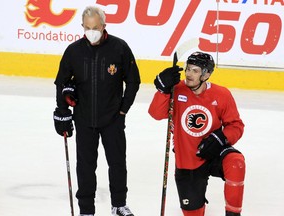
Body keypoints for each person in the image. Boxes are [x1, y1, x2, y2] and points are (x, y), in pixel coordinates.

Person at [53, 6, 140, 216]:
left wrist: (123, 112)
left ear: (104, 26)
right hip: (84, 119)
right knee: (85, 167)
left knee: (118, 163)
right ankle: (86, 210)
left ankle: (119, 205)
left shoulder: (119, 48)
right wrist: (62, 111)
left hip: (112, 119)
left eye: (96, 27)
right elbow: (61, 82)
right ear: (82, 26)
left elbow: (133, 81)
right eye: (87, 27)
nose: (91, 31)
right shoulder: (73, 51)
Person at [148, 51, 245, 216]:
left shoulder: (221, 94)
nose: (188, 74)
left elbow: (236, 125)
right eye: (188, 69)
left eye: (195, 70)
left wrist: (221, 138)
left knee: (236, 163)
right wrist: (162, 90)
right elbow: (156, 114)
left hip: (214, 151)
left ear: (206, 74)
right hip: (188, 159)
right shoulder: (176, 90)